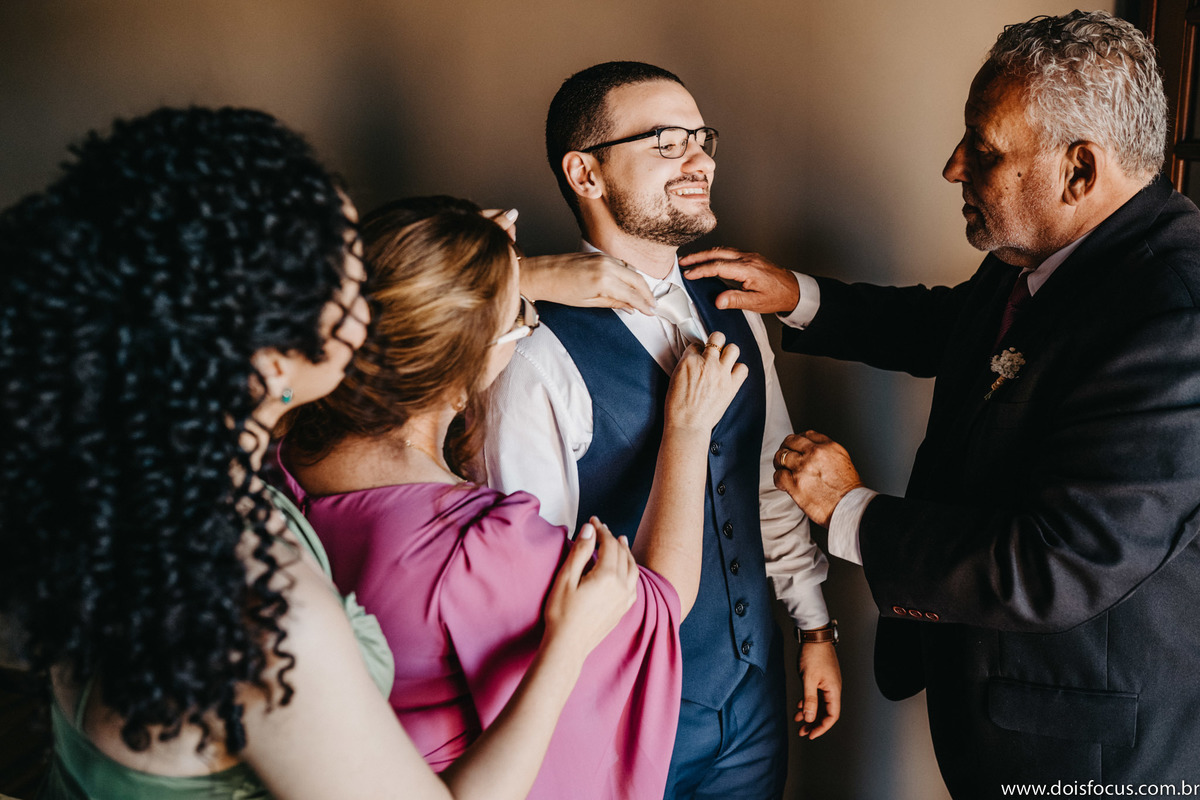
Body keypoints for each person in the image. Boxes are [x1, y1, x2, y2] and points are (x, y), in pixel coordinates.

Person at [0, 107, 645, 800]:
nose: (372, 286)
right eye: (348, 267)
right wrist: (566, 648)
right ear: (273, 352)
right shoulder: (267, 614)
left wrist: (501, 282)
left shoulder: (133, 473)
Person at [683, 10, 1200, 797]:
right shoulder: (1050, 246)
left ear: (1079, 171)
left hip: (1092, 760)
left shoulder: (1176, 319)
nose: (954, 167)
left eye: (985, 150)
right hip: (1001, 714)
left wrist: (849, 508)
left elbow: (1052, 566)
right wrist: (802, 297)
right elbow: (965, 331)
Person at [277, 195, 746, 798]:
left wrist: (488, 269)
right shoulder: (476, 544)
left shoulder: (287, 454)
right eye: (520, 318)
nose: (527, 327)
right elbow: (662, 599)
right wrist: (687, 429)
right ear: (464, 366)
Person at [483, 61, 842, 799]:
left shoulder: (733, 301)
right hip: (616, 718)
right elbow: (528, 575)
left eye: (701, 138)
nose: (701, 159)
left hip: (751, 697)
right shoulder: (535, 353)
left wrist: (813, 624)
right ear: (587, 173)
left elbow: (769, 474)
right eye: (667, 141)